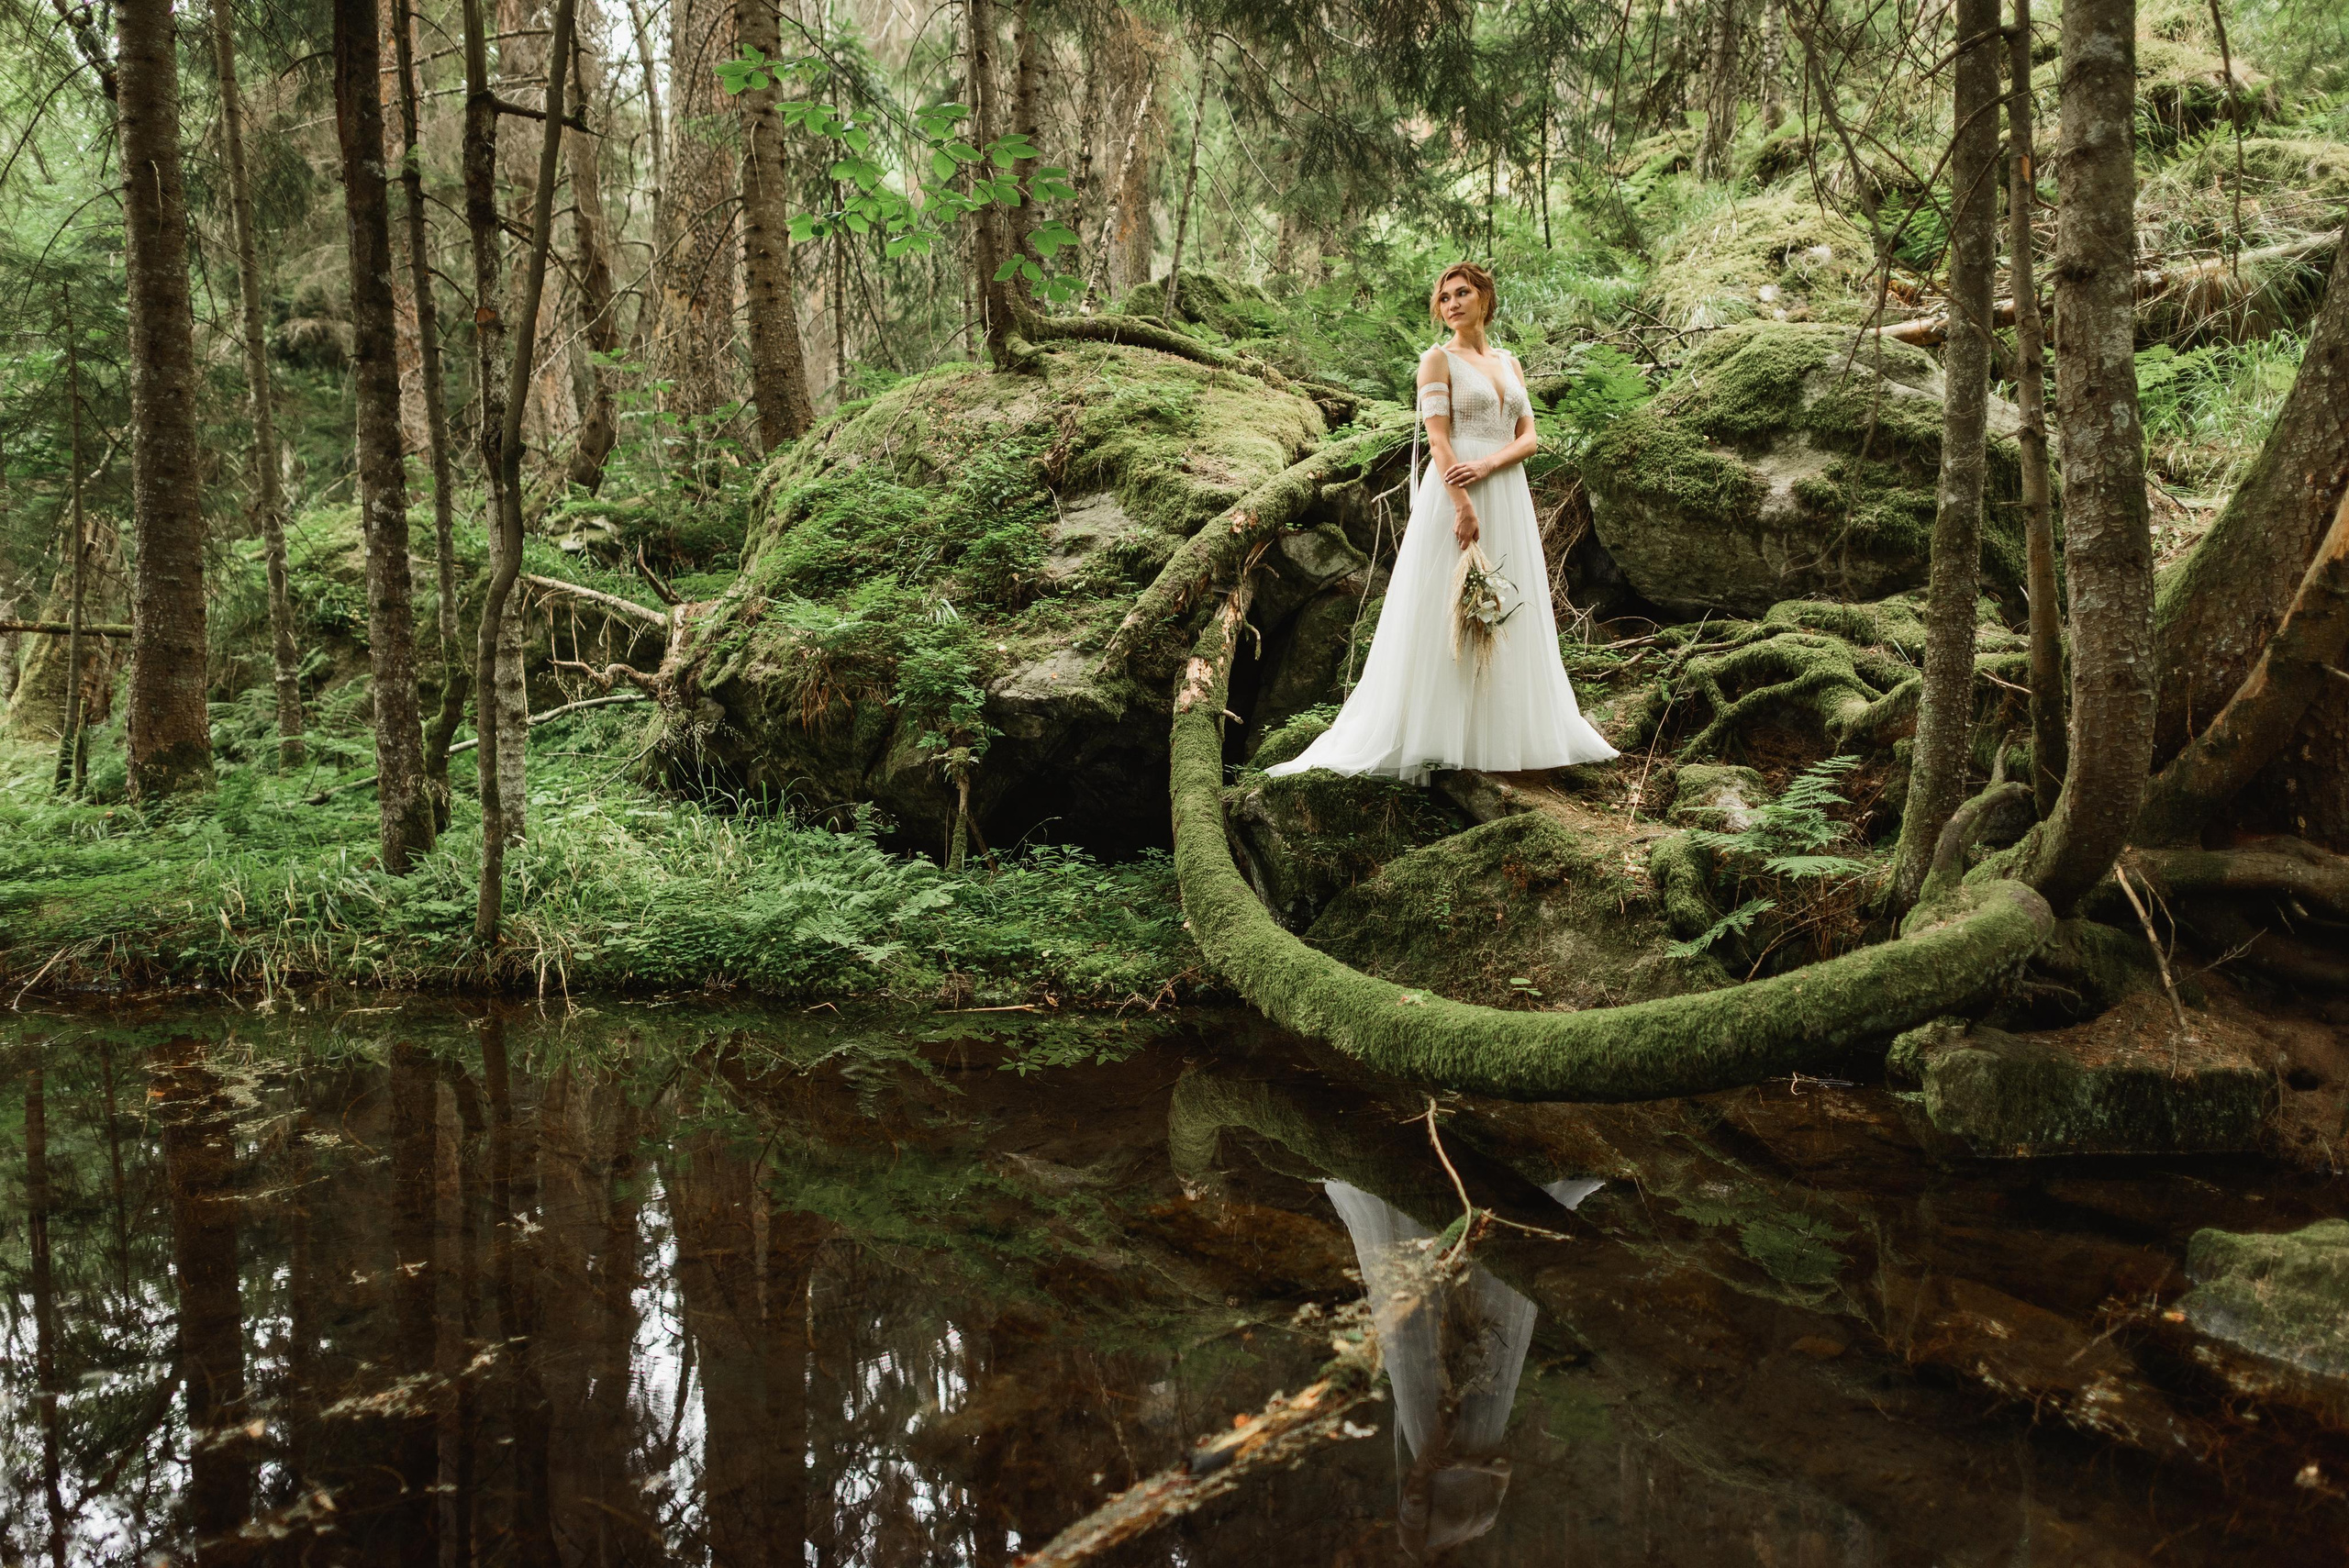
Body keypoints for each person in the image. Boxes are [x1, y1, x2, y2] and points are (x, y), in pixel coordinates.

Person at [1266, 262, 1618, 783]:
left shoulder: (1510, 363)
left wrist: (1489, 465)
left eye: (1462, 293)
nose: (1452, 303)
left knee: (1506, 600)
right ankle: (1436, 733)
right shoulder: (1437, 360)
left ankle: (1501, 734)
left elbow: (1528, 439)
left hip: (1506, 490)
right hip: (1456, 492)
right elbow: (1438, 439)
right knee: (1446, 603)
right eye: (1445, 297)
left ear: (1484, 298)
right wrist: (1462, 504)